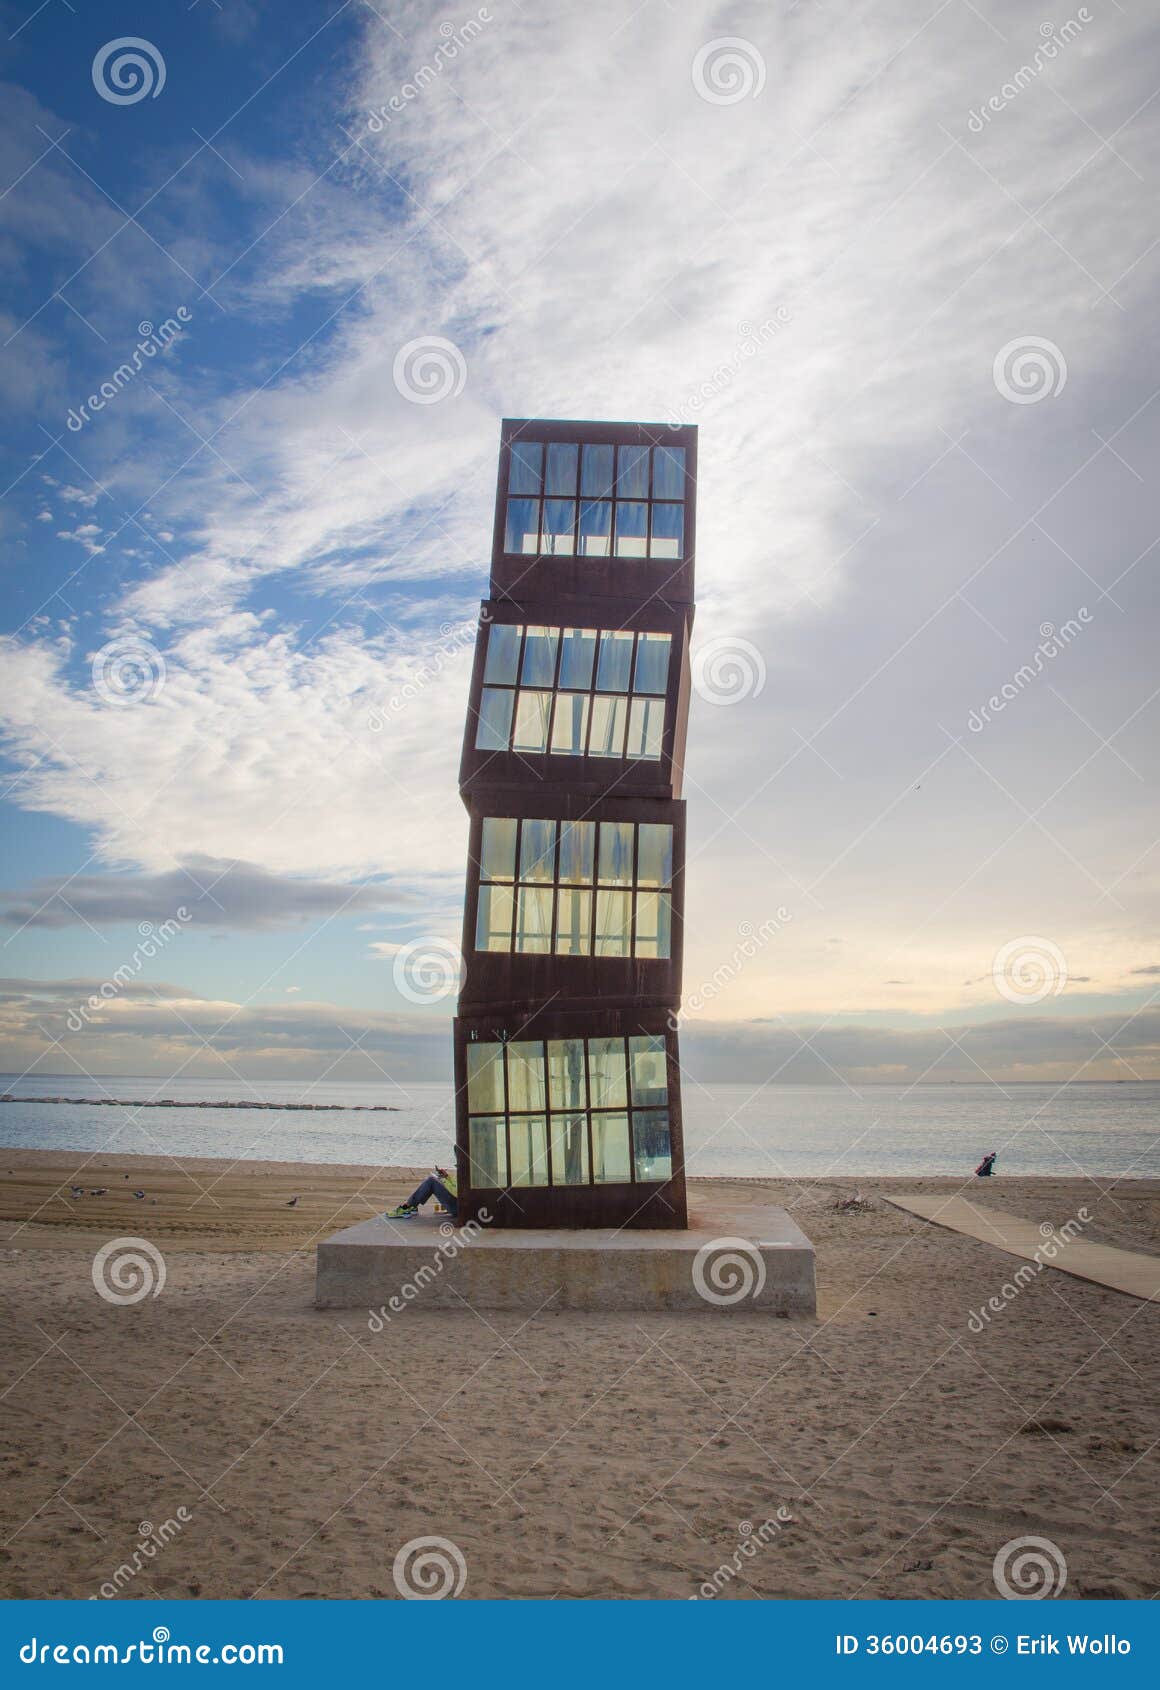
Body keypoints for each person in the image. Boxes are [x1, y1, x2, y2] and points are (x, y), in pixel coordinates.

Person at [385, 1164, 457, 1220]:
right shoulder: (466, 1169)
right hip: (460, 1207)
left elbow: (456, 1192)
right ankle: (412, 1206)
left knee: (431, 1181)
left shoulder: (465, 1171)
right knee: (432, 1180)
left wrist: (443, 1181)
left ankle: (406, 1207)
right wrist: (447, 1177)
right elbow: (456, 1186)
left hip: (458, 1209)